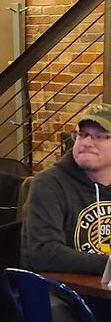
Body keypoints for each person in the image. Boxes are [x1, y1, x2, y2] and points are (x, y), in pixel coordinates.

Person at [21, 103, 111, 274]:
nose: (86, 143)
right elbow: (45, 254)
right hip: (61, 292)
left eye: (100, 137)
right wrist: (108, 265)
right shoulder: (48, 184)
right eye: (82, 135)